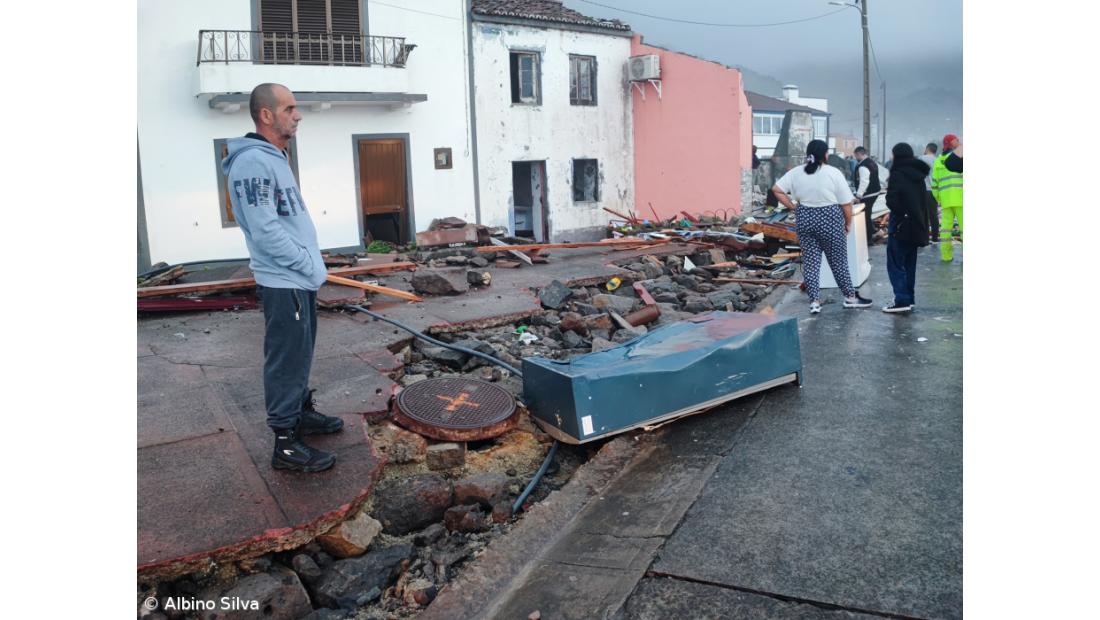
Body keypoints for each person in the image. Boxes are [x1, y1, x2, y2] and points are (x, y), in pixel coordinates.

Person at [223, 83, 343, 473]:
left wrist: (310, 264)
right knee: (285, 360)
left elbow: (286, 221)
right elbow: (266, 230)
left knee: (300, 353)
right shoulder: (253, 163)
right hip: (284, 280)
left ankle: (300, 413)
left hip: (296, 280)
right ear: (266, 115)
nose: (298, 114)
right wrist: (308, 266)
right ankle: (285, 444)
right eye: (290, 108)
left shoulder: (274, 157)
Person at [772, 139, 873, 314]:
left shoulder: (796, 172)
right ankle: (850, 297)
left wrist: (792, 206)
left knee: (811, 262)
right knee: (838, 262)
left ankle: (814, 302)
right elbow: (846, 204)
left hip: (805, 218)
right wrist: (848, 222)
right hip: (830, 220)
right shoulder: (833, 173)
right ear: (825, 155)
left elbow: (776, 189)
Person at [882, 143, 930, 313]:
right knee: (909, 263)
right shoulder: (919, 175)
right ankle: (908, 298)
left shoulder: (897, 174)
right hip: (916, 224)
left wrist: (900, 214)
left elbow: (892, 200)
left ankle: (901, 300)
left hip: (901, 224)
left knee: (895, 262)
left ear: (898, 156)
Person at [931, 133, 964, 261]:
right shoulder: (960, 157)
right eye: (957, 140)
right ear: (952, 143)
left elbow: (934, 183)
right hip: (961, 198)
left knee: (945, 230)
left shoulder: (938, 161)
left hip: (945, 200)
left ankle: (946, 256)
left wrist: (939, 198)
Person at [853, 146, 882, 248]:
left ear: (859, 154)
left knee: (866, 215)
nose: (855, 157)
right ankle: (873, 232)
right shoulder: (871, 162)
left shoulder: (863, 166)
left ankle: (868, 239)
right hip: (875, 191)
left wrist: (858, 195)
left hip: (868, 193)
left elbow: (864, 181)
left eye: (856, 155)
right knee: (867, 214)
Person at [920, 142, 940, 242]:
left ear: (927, 148)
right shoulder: (938, 160)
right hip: (935, 191)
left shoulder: (921, 158)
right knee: (934, 214)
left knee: (924, 215)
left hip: (923, 190)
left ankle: (925, 238)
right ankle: (935, 237)